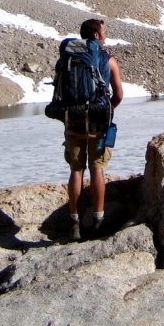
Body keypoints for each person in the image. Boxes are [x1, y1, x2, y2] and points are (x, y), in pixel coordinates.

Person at [65, 18, 123, 240]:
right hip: (98, 123)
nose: (106, 35)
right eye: (104, 32)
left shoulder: (69, 57)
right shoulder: (108, 60)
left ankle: (74, 222)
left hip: (73, 121)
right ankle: (98, 221)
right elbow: (118, 95)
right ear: (96, 35)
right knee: (97, 169)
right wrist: (106, 110)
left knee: (76, 170)